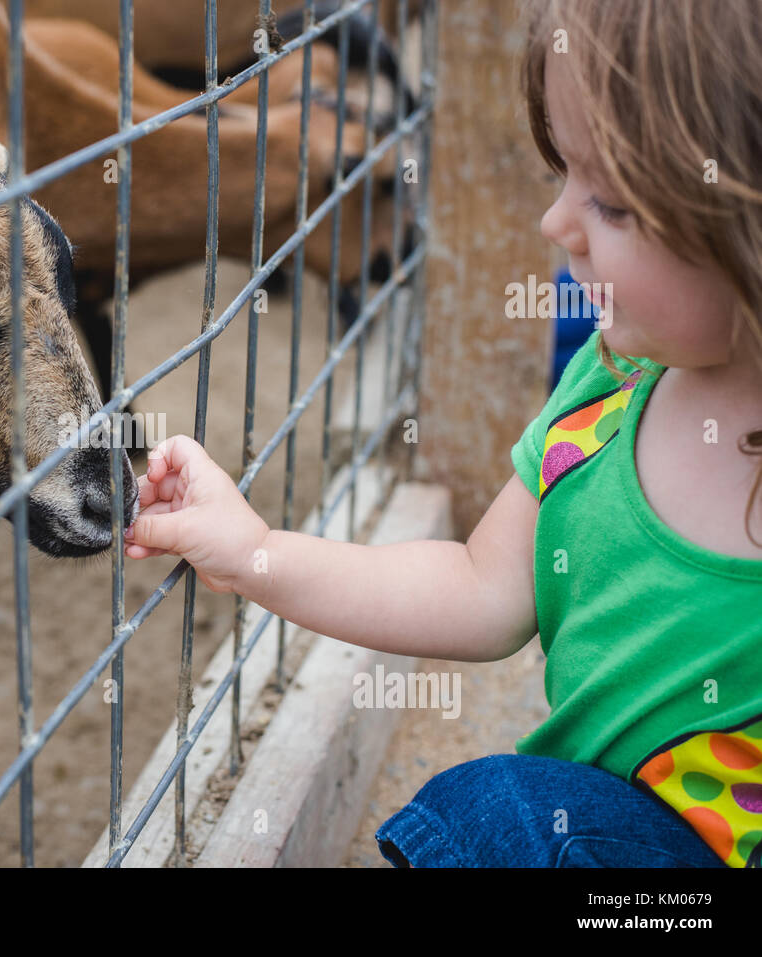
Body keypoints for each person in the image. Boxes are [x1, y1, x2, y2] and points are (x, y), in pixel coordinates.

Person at [122, 0, 762, 868]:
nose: (555, 226)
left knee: (503, 819)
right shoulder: (603, 399)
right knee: (510, 816)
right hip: (616, 856)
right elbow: (473, 585)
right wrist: (255, 549)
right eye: (558, 178)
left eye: (611, 204)